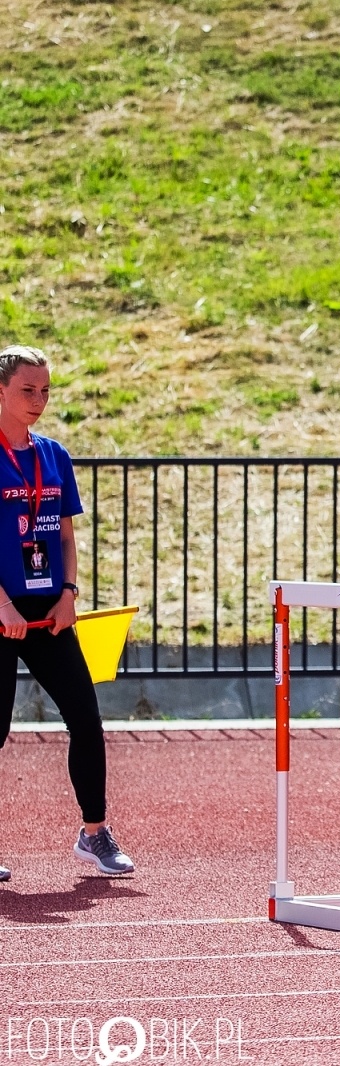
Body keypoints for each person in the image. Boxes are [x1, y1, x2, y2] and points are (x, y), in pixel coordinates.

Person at [0, 345, 134, 881]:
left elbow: (66, 537)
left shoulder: (54, 455)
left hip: (49, 609)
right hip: (1, 609)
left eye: (45, 390)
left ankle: (94, 833)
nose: (39, 400)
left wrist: (69, 594)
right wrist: (3, 604)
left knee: (86, 718)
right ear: (1, 391)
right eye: (27, 390)